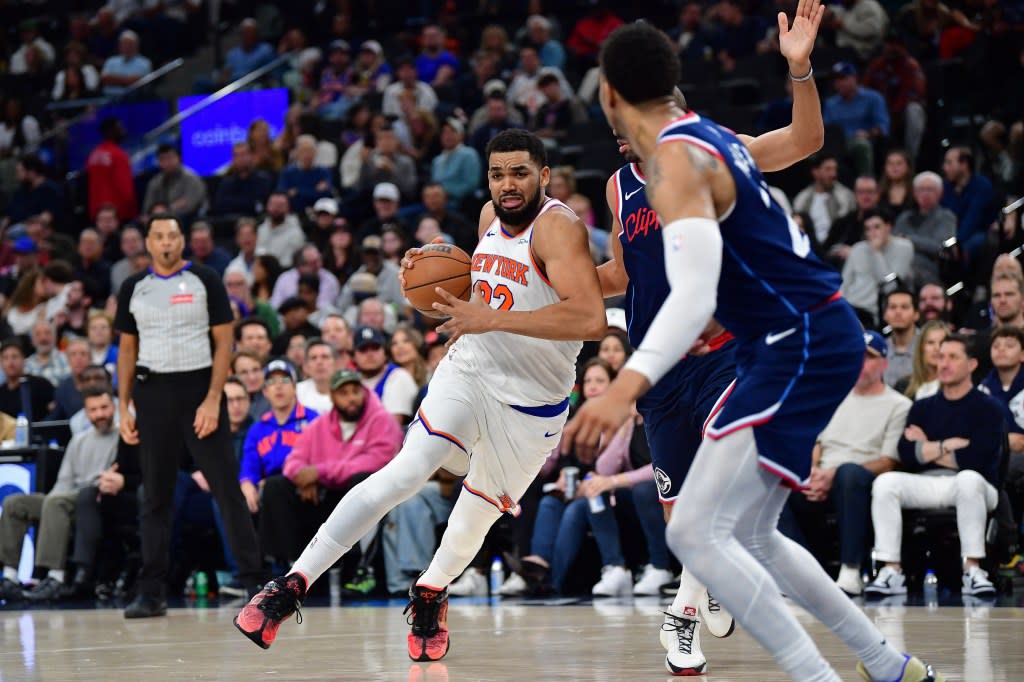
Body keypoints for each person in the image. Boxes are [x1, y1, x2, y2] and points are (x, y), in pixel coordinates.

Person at [564, 20, 941, 682]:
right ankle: (887, 664)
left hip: (792, 339)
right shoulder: (699, 142)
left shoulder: (678, 159)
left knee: (693, 533)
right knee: (751, 534)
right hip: (798, 339)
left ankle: (819, 675)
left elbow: (693, 294)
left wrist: (622, 386)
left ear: (610, 95)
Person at [235, 129, 605, 661]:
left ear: (544, 175)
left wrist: (490, 315)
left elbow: (590, 317)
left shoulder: (559, 229)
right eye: (498, 174)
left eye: (520, 173)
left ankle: (431, 590)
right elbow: (480, 295)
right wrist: (435, 284)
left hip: (532, 402)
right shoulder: (486, 218)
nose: (508, 185)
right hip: (472, 369)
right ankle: (291, 584)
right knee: (405, 472)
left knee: (475, 514)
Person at [596, 3, 834, 668]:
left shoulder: (716, 155)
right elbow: (618, 272)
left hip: (726, 353)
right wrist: (545, 277)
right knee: (684, 525)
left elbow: (805, 141)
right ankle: (706, 586)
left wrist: (800, 69)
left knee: (715, 500)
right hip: (659, 368)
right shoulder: (619, 188)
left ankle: (683, 611)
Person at [115, 214, 266, 618]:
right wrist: (123, 407)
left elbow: (224, 342)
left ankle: (254, 582)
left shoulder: (205, 280)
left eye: (173, 235)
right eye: (158, 236)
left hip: (200, 390)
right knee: (156, 496)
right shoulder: (134, 287)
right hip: (152, 393)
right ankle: (152, 592)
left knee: (226, 489)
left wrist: (213, 397)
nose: (166, 242)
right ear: (148, 242)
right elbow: (127, 351)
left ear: (182, 240)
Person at [865, 335, 1004, 598]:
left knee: (969, 479)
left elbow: (977, 458)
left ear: (972, 364)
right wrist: (948, 445)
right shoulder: (921, 407)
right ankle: (891, 570)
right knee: (886, 483)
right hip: (928, 482)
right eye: (941, 357)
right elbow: (907, 454)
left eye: (953, 357)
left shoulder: (989, 408)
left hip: (975, 485)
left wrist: (927, 446)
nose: (944, 363)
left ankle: (973, 570)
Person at [779, 331, 910, 596]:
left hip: (861, 478)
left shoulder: (899, 404)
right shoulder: (834, 396)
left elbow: (888, 461)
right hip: (823, 475)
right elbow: (817, 443)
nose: (861, 363)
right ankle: (799, 574)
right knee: (777, 481)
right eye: (857, 357)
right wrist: (812, 472)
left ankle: (851, 570)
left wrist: (833, 474)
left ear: (884, 363)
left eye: (869, 358)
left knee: (848, 476)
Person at [258, 368, 403, 571]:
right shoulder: (320, 424)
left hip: (359, 501)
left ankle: (357, 568)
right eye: (344, 393)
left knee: (360, 479)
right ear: (332, 396)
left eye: (355, 391)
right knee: (276, 486)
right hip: (323, 498)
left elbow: (376, 462)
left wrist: (319, 473)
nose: (351, 398)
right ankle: (287, 567)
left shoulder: (382, 420)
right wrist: (304, 478)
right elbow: (293, 460)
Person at [0, 385, 119, 602]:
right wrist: (49, 502)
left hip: (92, 501)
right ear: (86, 412)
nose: (100, 414)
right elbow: (63, 482)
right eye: (93, 410)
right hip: (65, 496)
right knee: (14, 503)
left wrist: (54, 501)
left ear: (114, 407)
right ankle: (9, 578)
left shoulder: (121, 437)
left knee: (56, 503)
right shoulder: (79, 440)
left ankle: (54, 578)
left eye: (104, 408)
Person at [241, 360, 317, 516]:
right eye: (271, 382)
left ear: (295, 387)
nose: (278, 386)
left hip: (306, 487)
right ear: (265, 391)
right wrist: (247, 483)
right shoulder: (258, 428)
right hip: (269, 494)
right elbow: (249, 464)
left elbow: (324, 456)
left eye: (284, 380)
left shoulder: (313, 419)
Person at [840, 208, 914, 327]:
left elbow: (890, 286)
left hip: (878, 312)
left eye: (877, 227)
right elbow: (843, 284)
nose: (872, 233)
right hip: (852, 307)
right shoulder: (858, 249)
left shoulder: (904, 248)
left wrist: (876, 253)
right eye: (868, 229)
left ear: (888, 227)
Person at [823, 62, 890, 177]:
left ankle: (867, 183)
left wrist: (868, 133)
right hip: (838, 144)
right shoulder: (831, 104)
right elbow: (826, 129)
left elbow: (883, 126)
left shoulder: (873, 98)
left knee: (861, 145)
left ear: (854, 78)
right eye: (836, 80)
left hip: (863, 140)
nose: (838, 83)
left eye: (843, 78)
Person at [894, 171, 957, 286]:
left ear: (940, 193)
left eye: (930, 189)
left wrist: (908, 239)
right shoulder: (904, 218)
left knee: (907, 275)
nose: (925, 194)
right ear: (914, 193)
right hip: (900, 265)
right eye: (921, 189)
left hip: (929, 270)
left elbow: (940, 247)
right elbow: (893, 243)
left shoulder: (946, 217)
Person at [352, 325, 418, 424]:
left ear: (385, 352)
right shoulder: (350, 380)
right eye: (363, 349)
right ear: (354, 356)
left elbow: (391, 426)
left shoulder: (398, 376)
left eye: (375, 348)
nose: (370, 354)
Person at [87, 117, 137, 222]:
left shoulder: (93, 154)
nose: (123, 132)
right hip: (117, 214)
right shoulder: (118, 155)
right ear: (111, 132)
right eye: (120, 129)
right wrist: (133, 213)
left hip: (97, 213)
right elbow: (125, 189)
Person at [142, 144, 207, 221]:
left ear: (179, 158)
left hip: (188, 220)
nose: (167, 163)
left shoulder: (192, 179)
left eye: (170, 158)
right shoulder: (155, 182)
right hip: (159, 220)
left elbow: (190, 206)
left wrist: (166, 210)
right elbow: (147, 208)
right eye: (162, 159)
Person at [0, 337, 55, 420]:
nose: (10, 362)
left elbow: (56, 411)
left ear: (24, 359)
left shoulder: (40, 384)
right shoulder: (1, 392)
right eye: (5, 358)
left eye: (14, 357)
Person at [881, 288, 920, 388]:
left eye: (904, 307)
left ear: (916, 314)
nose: (898, 312)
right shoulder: (879, 350)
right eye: (893, 307)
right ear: (885, 315)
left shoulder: (929, 345)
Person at [256, 193, 306, 268]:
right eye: (273, 204)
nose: (276, 208)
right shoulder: (261, 229)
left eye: (280, 205)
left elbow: (288, 264)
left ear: (288, 207)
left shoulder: (296, 234)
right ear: (267, 206)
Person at [295, 338, 337, 413]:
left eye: (325, 357)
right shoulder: (296, 392)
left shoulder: (347, 391)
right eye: (313, 358)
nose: (319, 362)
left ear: (336, 363)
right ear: (306, 366)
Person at [26, 320, 71, 387]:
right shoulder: (26, 365)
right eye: (38, 334)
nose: (43, 338)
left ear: (55, 337)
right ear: (32, 340)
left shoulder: (67, 360)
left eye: (47, 333)